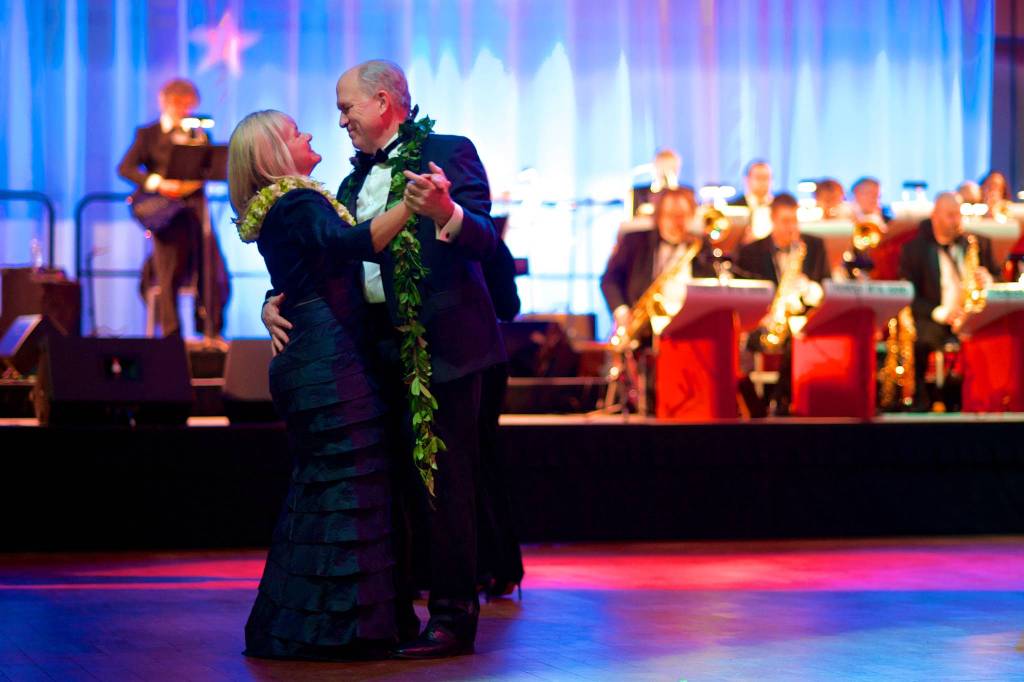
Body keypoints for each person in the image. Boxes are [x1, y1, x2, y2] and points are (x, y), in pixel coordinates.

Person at [263, 59, 503, 658]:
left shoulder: (448, 151)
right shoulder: (346, 185)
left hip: (442, 350)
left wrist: (445, 210)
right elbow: (324, 258)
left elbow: (485, 239)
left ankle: (451, 620)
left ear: (383, 101)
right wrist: (273, 299)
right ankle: (390, 616)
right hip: (370, 353)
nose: (339, 120)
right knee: (386, 488)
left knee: (444, 488)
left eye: (347, 108)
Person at [228, 110, 415, 659]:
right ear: (274, 156)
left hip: (312, 356)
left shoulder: (287, 207)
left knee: (323, 490)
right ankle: (339, 632)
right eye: (295, 132)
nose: (310, 133)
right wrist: (413, 201)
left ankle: (303, 627)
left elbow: (295, 275)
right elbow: (354, 244)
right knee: (347, 488)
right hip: (326, 362)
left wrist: (269, 303)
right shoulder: (298, 202)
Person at [117, 78, 229, 338]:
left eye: (188, 105)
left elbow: (206, 164)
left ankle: (211, 329)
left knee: (210, 266)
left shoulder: (197, 132)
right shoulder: (149, 134)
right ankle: (171, 335)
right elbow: (126, 167)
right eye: (178, 103)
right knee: (168, 271)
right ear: (165, 102)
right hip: (168, 213)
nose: (183, 110)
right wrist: (157, 182)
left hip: (195, 208)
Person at [899, 192, 998, 409]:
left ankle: (986, 400)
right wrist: (942, 312)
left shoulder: (976, 244)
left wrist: (988, 280)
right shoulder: (913, 249)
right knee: (922, 339)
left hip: (972, 316)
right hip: (934, 316)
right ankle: (923, 401)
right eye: (950, 215)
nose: (956, 221)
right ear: (934, 216)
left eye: (958, 215)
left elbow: (998, 279)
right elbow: (909, 295)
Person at [737, 192, 828, 415]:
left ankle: (780, 399)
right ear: (772, 219)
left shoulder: (814, 247)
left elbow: (826, 289)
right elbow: (743, 294)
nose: (791, 228)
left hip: (802, 321)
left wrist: (809, 289)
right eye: (785, 221)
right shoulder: (751, 252)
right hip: (763, 322)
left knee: (799, 338)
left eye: (794, 220)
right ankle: (767, 402)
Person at [729, 159, 774, 240]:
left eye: (766, 178)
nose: (763, 182)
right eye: (758, 177)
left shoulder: (778, 206)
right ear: (747, 179)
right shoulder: (732, 206)